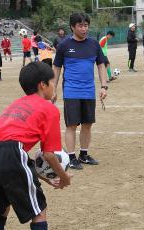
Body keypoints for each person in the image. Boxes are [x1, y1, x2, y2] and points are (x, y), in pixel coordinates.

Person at [0, 62, 72, 230]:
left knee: (0, 209)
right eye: (53, 82)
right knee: (39, 212)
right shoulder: (49, 109)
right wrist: (63, 177)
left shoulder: (17, 103)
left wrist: (43, 179)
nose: (54, 86)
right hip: (10, 153)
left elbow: (19, 166)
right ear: (43, 85)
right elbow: (49, 154)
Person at [52, 12, 108, 170]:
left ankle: (84, 155)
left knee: (87, 124)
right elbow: (56, 68)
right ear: (72, 27)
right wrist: (53, 89)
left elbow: (101, 65)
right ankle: (71, 157)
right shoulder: (64, 45)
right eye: (80, 25)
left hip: (89, 91)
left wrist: (104, 86)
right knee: (71, 125)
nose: (84, 28)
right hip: (71, 91)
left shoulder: (94, 44)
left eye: (86, 25)